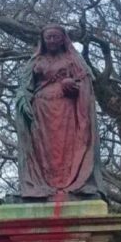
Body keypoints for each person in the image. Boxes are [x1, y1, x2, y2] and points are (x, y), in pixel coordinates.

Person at [14, 24, 104, 199]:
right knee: (42, 149)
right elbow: (25, 87)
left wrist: (73, 85)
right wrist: (23, 99)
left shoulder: (73, 60)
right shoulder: (36, 61)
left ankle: (72, 183)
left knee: (67, 147)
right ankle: (43, 185)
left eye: (56, 37)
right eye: (49, 37)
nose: (52, 40)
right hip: (41, 110)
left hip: (67, 110)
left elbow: (85, 83)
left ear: (63, 39)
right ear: (43, 40)